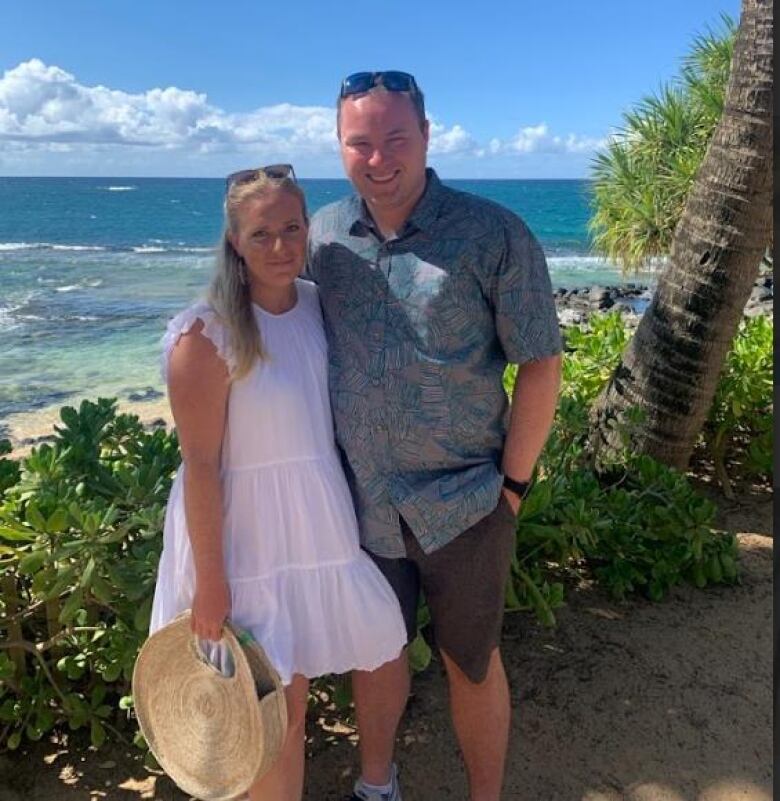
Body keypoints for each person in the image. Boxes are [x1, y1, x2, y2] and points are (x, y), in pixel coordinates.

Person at [307, 72, 563, 801]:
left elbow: (541, 362)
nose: (378, 158)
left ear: (426, 135)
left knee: (471, 659)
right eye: (360, 142)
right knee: (375, 652)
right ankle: (377, 783)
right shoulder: (321, 236)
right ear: (340, 145)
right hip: (363, 503)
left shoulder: (493, 233)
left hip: (467, 502)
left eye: (395, 139)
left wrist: (512, 488)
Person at [149, 165, 407, 801]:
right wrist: (211, 583)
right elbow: (200, 467)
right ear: (234, 240)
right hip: (245, 549)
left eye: (293, 228)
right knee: (265, 722)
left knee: (290, 715)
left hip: (315, 532)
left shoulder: (320, 307)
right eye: (261, 233)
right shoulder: (204, 336)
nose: (281, 246)